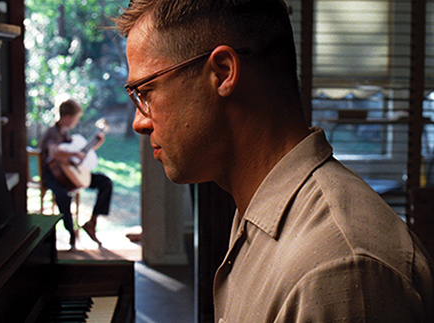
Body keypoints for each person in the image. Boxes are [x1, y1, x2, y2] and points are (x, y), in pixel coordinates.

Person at [114, 0, 433, 322]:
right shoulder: (260, 212)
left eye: (146, 90)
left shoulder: (338, 268)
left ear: (223, 72)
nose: (139, 123)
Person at [39, 98, 113, 250]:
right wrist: (75, 154)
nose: (76, 121)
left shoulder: (65, 132)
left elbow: (79, 154)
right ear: (68, 117)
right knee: (63, 196)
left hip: (70, 175)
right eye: (76, 118)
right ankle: (71, 233)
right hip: (53, 176)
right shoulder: (53, 133)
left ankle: (92, 222)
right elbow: (54, 152)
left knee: (105, 182)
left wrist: (96, 143)